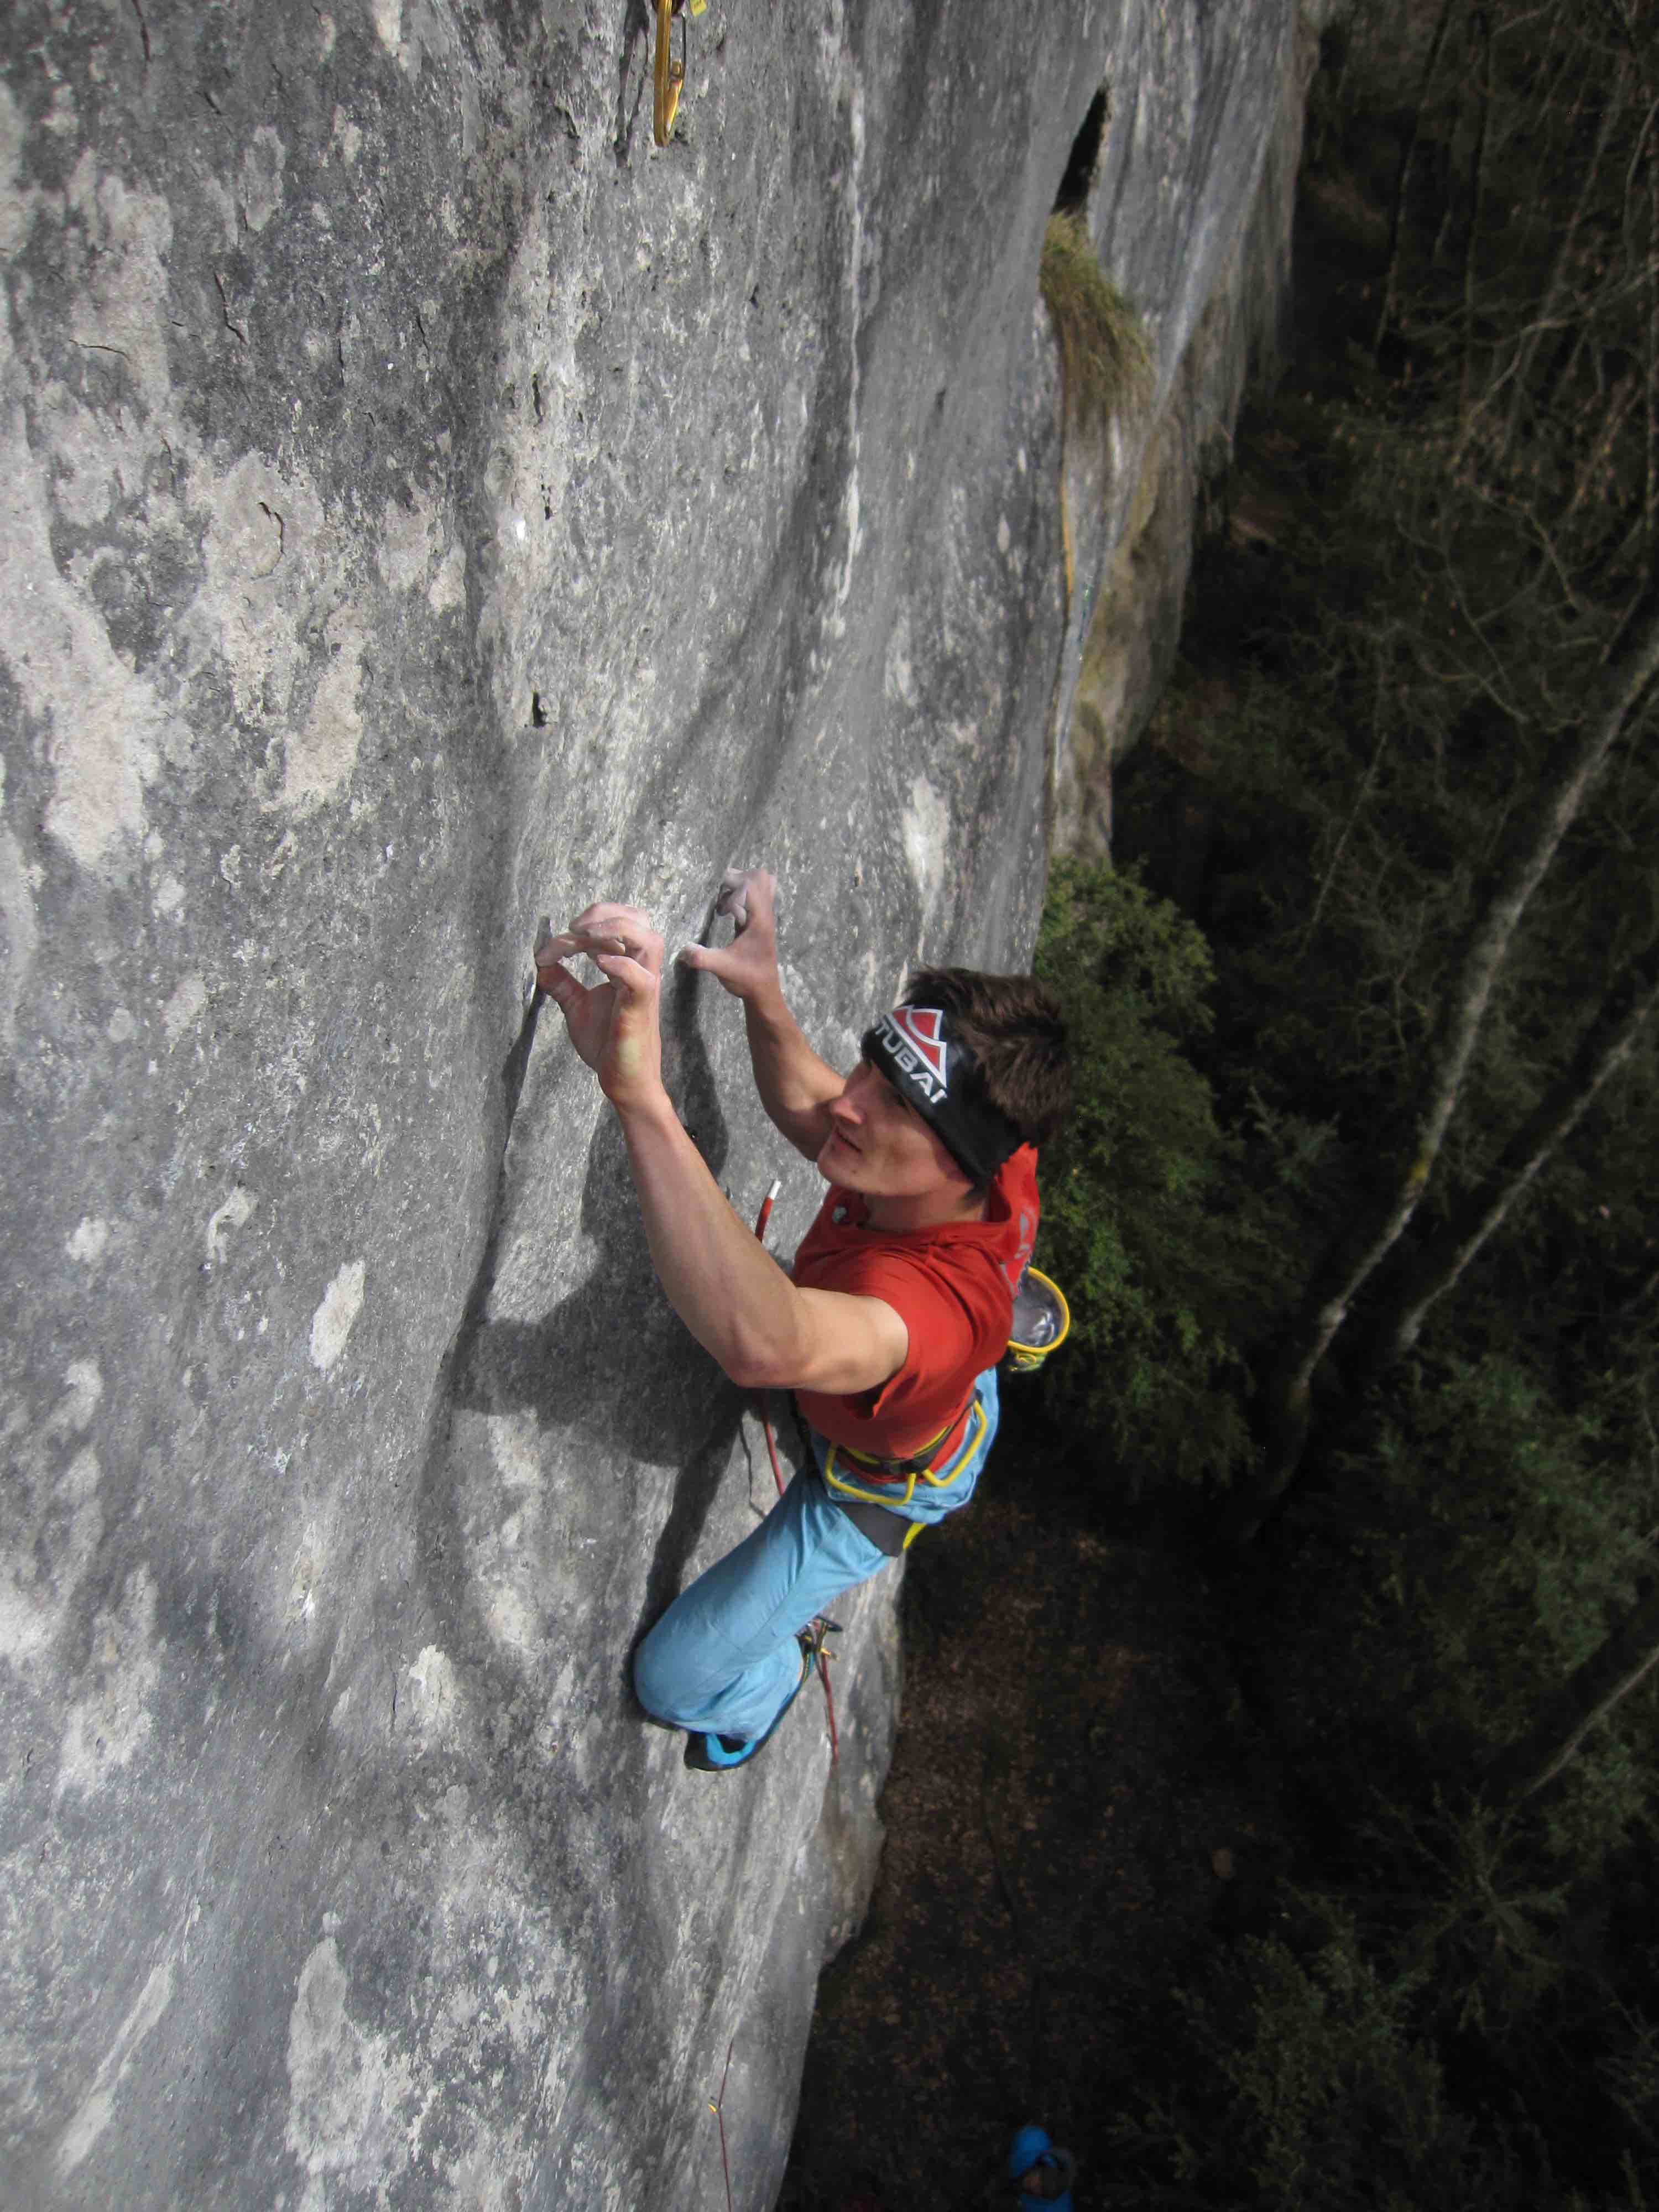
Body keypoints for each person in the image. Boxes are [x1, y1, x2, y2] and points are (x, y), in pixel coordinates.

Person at [534, 869, 1070, 1771]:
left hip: (871, 1486)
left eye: (898, 1105)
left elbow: (767, 1343)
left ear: (965, 1169)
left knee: (674, 1679)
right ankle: (986, 1346)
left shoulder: (924, 1317)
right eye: (874, 1062)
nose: (853, 1099)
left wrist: (640, 1096)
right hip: (906, 1332)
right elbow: (813, 1110)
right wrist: (761, 990)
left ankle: (774, 1680)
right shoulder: (990, 1146)